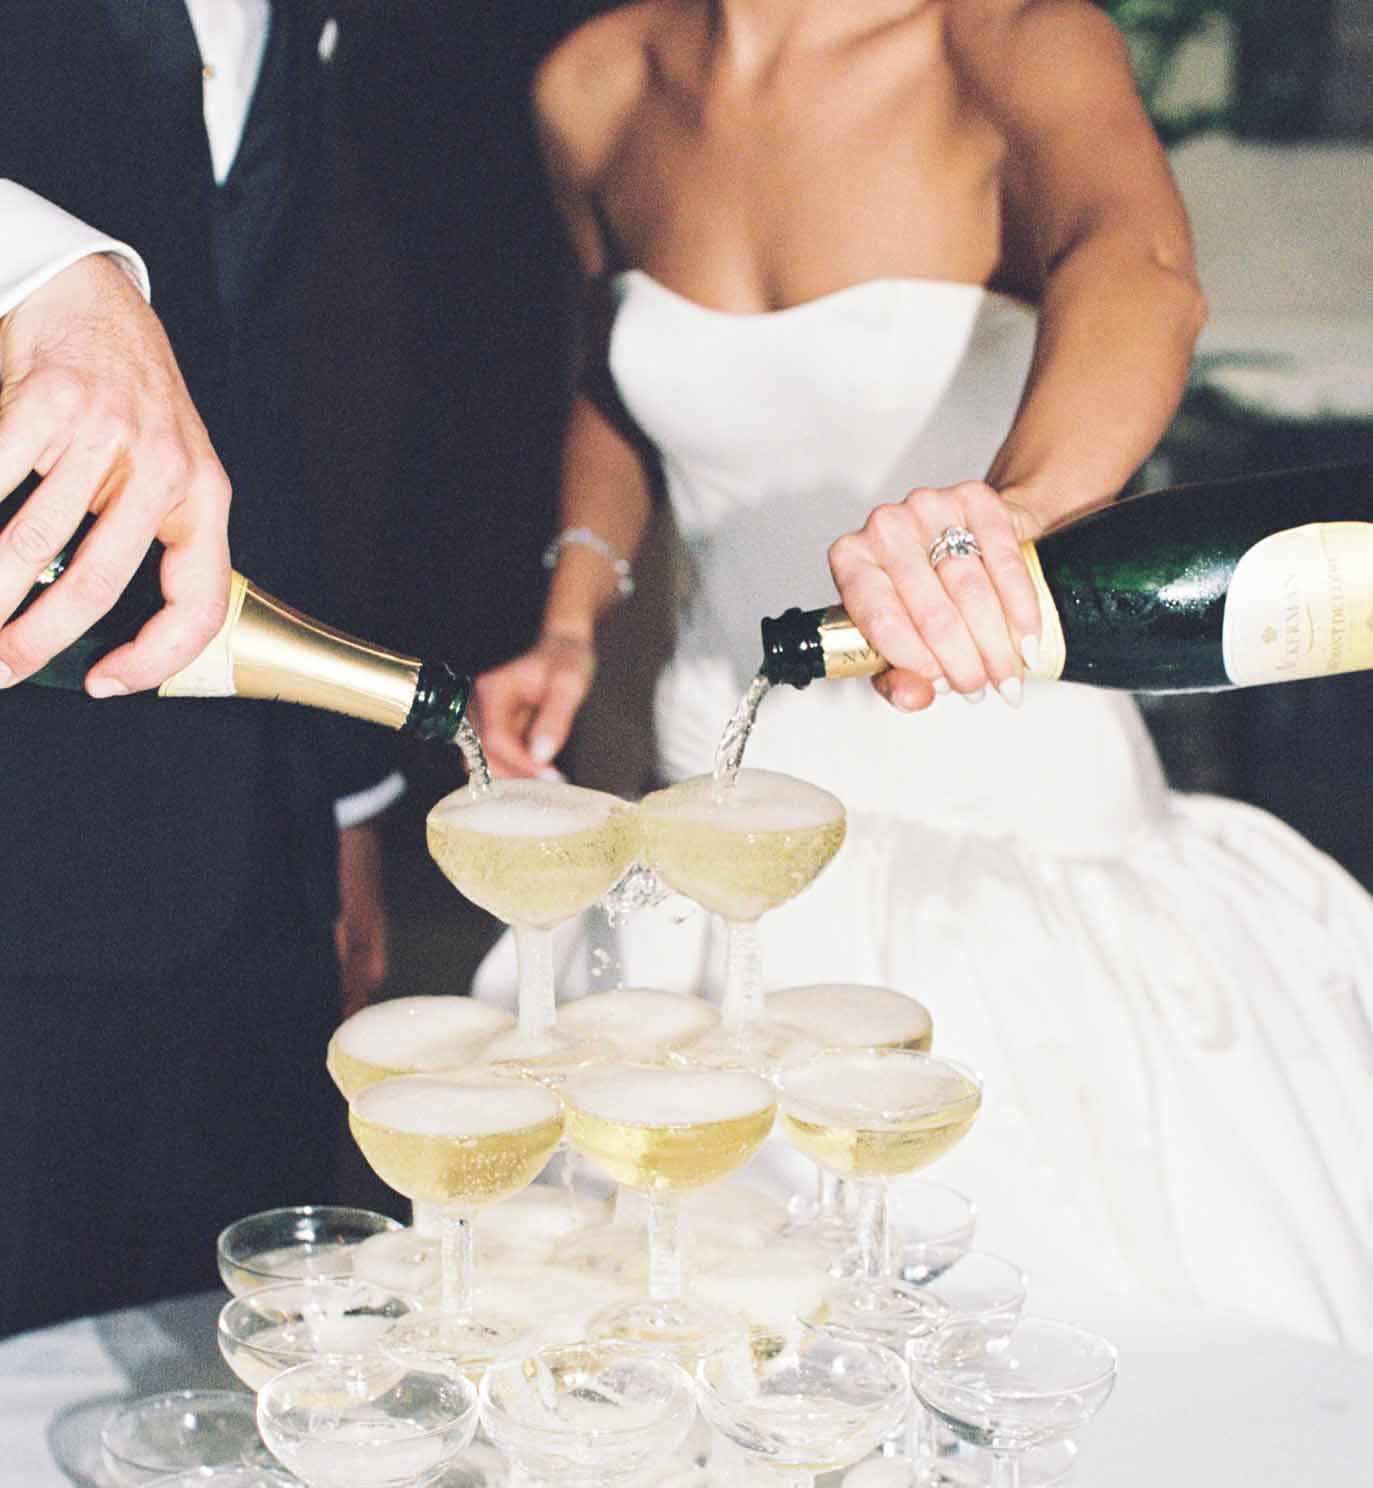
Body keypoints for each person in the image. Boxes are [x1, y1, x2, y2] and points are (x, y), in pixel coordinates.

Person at [473, 0, 1373, 1347]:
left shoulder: (1008, 36)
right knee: (666, 1360)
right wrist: (567, 616)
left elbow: (1135, 266)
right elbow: (612, 372)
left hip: (999, 820)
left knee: (1028, 1358)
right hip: (712, 829)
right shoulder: (592, 83)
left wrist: (1001, 523)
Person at [0, 0, 400, 1335]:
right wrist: (37, 269)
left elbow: (254, 399)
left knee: (225, 1362)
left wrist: (342, 805)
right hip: (23, 790)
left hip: (235, 839)